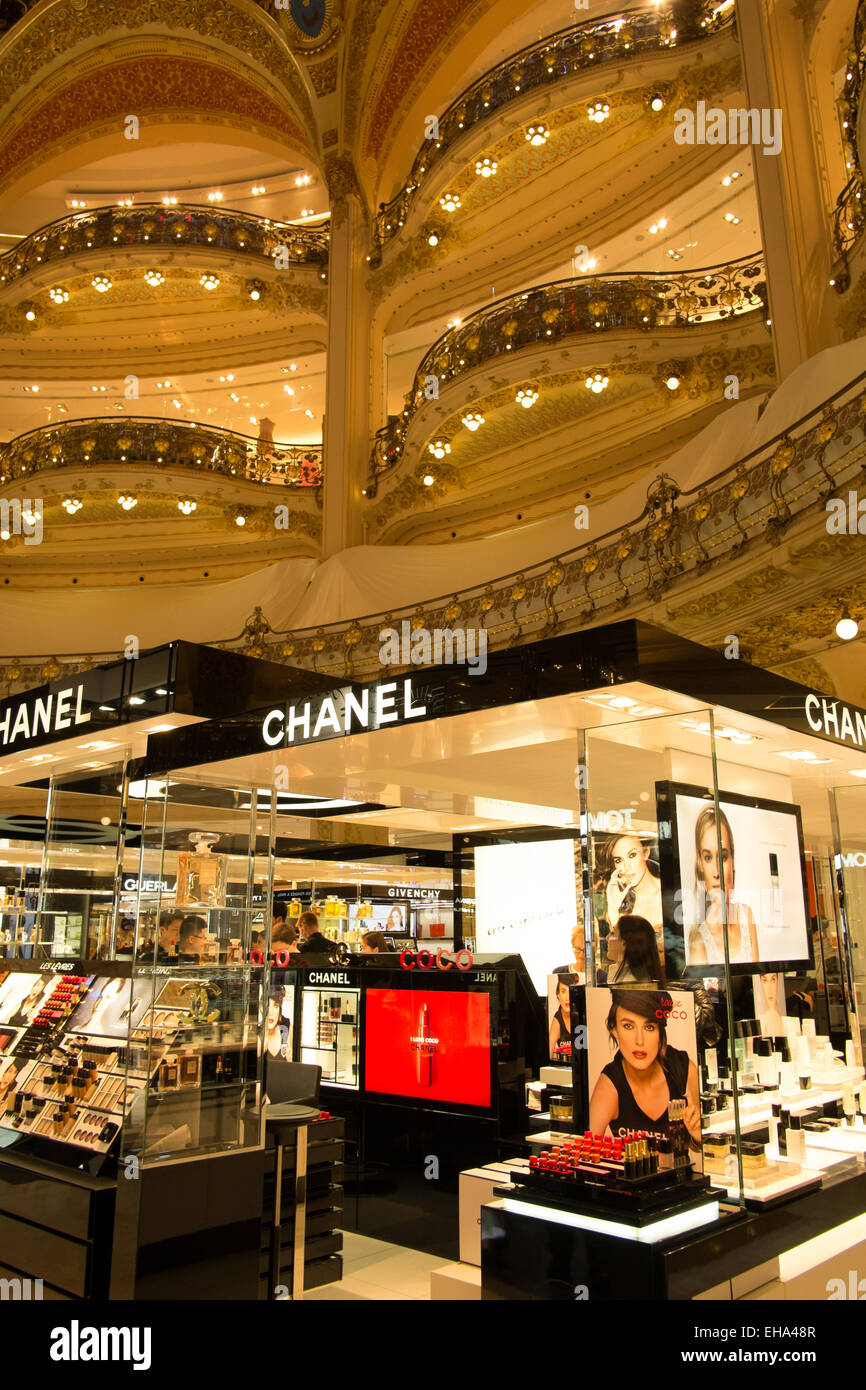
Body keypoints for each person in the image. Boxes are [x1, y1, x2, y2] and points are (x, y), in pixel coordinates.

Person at [589, 989, 701, 1145]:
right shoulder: (609, 1085)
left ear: (660, 1032)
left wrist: (698, 1137)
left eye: (649, 1027)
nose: (639, 1040)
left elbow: (696, 1147)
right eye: (628, 1026)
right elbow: (588, 1154)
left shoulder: (683, 1069)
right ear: (614, 1029)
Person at [687, 808, 758, 966]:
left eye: (723, 857)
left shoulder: (746, 915)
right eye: (708, 858)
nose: (716, 872)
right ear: (700, 865)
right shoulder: (699, 940)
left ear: (732, 860)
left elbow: (758, 981)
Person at [595, 834, 664, 959]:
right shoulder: (621, 905)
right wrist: (612, 908)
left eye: (632, 855)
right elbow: (619, 956)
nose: (626, 867)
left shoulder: (669, 893)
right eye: (618, 860)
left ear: (646, 852)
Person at [607, 914, 666, 985]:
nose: (607, 938)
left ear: (624, 943)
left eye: (612, 933)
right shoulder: (616, 973)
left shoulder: (630, 985)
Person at [549, 976, 573, 1060]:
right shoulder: (557, 1020)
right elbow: (548, 1054)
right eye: (563, 991)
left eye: (570, 991)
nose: (567, 998)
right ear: (558, 995)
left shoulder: (582, 1015)